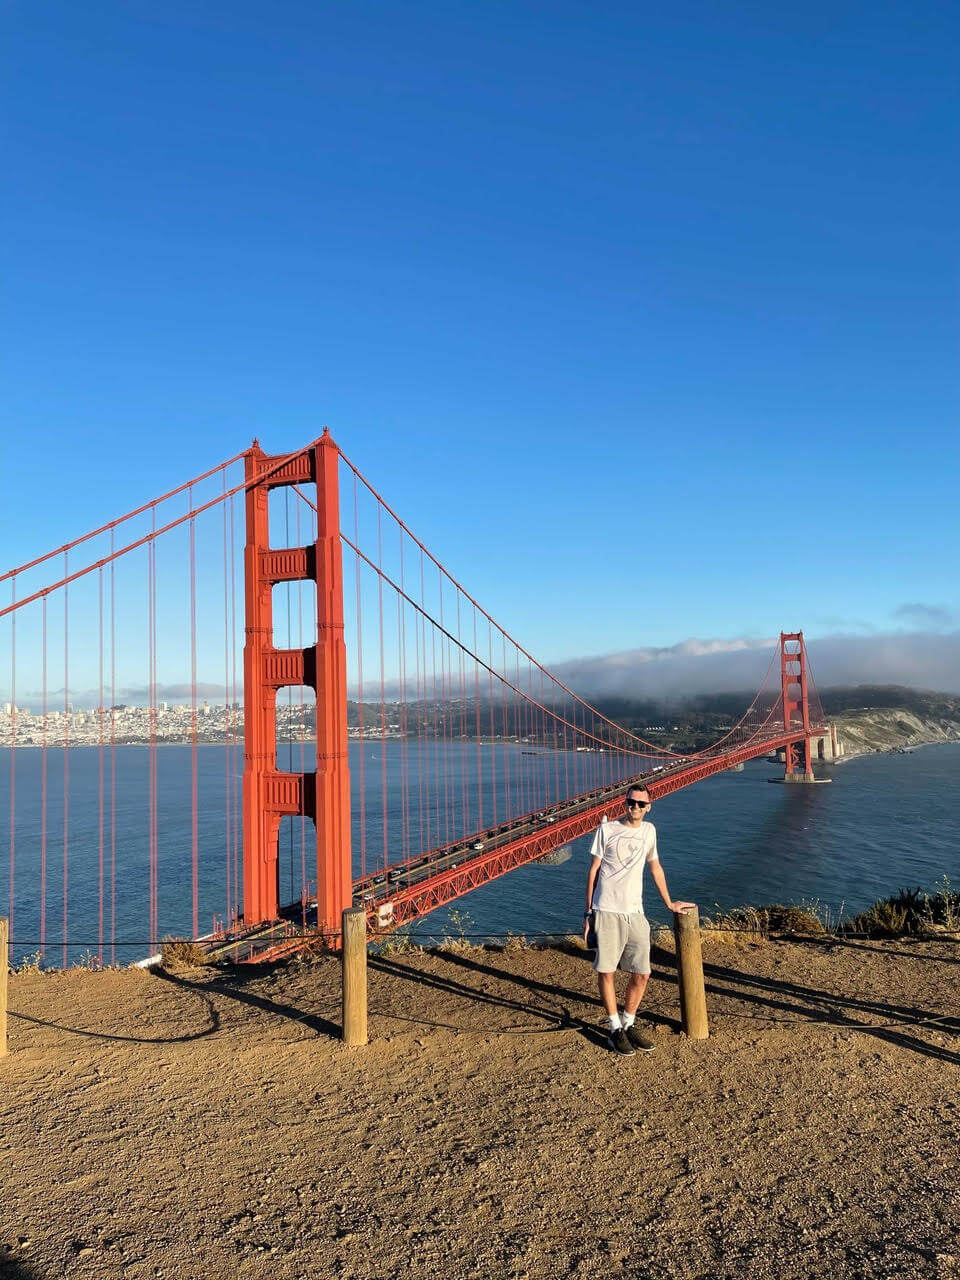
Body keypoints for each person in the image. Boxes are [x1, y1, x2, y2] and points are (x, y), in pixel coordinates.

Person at [583, 784, 693, 1055]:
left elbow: (655, 867)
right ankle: (614, 1029)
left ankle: (629, 1023)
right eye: (631, 802)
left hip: (636, 912)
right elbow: (593, 871)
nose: (635, 807)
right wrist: (588, 913)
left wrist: (669, 903)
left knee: (642, 973)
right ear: (625, 803)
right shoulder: (607, 829)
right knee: (606, 971)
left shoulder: (649, 831)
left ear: (648, 807)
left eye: (641, 804)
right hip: (606, 909)